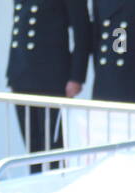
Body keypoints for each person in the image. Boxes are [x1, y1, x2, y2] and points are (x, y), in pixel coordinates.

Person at [6, 0, 92, 171]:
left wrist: (76, 77)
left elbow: (83, 33)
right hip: (22, 76)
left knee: (54, 151)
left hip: (52, 79)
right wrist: (13, 70)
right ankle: (35, 189)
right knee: (32, 149)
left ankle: (54, 189)